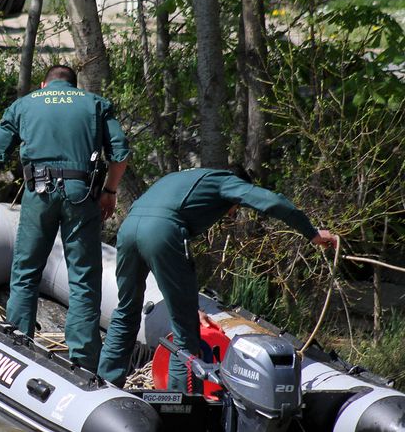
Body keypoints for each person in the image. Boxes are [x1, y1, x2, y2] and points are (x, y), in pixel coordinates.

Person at [97, 167, 337, 391]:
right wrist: (312, 233)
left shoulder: (185, 177)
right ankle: (180, 404)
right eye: (236, 208)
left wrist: (185, 301)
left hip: (129, 228)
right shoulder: (225, 181)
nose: (233, 213)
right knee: (185, 330)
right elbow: (273, 201)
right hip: (162, 231)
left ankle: (104, 384)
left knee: (126, 311)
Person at [0, 65, 130, 372]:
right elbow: (120, 154)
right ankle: (83, 363)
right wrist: (110, 191)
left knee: (26, 272)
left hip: (39, 194)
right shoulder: (95, 104)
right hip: (82, 194)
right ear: (74, 85)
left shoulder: (24, 104)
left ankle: (17, 348)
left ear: (44, 83)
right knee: (84, 279)